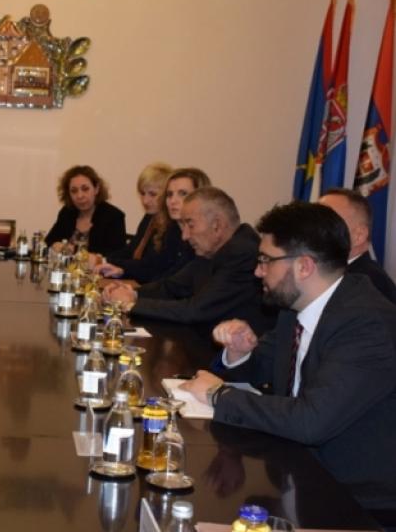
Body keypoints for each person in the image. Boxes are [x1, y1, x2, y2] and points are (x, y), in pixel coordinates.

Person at [180, 201, 396, 513]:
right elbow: (262, 368)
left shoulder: (365, 325)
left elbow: (311, 420)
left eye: (266, 260)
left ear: (304, 267)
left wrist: (219, 396)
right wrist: (240, 353)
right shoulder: (295, 309)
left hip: (355, 503)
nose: (258, 271)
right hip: (296, 474)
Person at [103, 186, 271, 332]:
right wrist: (131, 293)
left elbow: (196, 310)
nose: (185, 236)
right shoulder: (212, 248)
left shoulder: (242, 253)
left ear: (217, 225)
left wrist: (130, 304)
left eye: (190, 225)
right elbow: (171, 287)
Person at [100, 167, 209, 283]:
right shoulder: (151, 219)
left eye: (182, 194)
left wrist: (105, 262)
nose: (173, 201)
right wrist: (112, 265)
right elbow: (134, 251)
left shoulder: (175, 228)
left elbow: (156, 270)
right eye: (170, 194)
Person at [319, 188, 396, 304]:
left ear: (359, 235)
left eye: (328, 221)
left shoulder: (370, 284)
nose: (313, 228)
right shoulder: (336, 275)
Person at [44, 165, 126, 258]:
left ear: (96, 189)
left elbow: (117, 255)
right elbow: (48, 241)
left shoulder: (114, 216)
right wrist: (55, 245)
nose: (80, 196)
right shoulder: (67, 212)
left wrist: (74, 250)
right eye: (74, 191)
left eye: (85, 189)